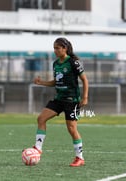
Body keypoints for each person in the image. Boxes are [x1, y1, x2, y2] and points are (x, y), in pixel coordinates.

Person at [30, 37, 89, 167]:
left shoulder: (74, 62)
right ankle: (38, 148)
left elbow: (85, 80)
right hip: (59, 99)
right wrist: (42, 83)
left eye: (57, 48)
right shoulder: (56, 64)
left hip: (71, 100)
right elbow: (56, 82)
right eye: (54, 48)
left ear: (65, 48)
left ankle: (80, 158)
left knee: (72, 129)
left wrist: (84, 97)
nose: (55, 50)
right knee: (41, 119)